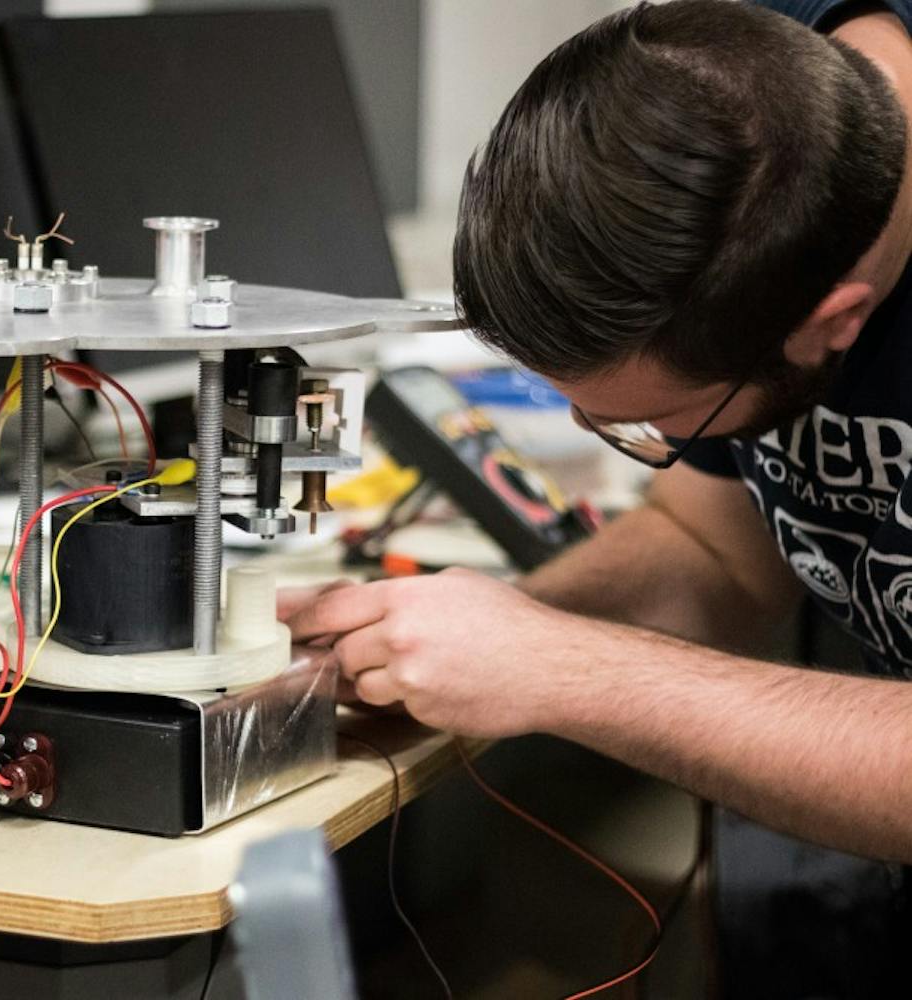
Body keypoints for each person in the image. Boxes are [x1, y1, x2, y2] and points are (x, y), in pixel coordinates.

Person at [282, 0, 912, 989]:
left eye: (645, 424)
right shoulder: (746, 102)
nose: (612, 436)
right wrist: (462, 639)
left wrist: (564, 667)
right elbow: (719, 552)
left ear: (834, 325)